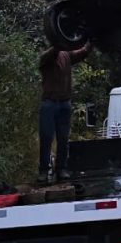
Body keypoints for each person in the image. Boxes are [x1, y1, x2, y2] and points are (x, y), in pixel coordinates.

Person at [37, 42, 91, 183]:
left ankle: (61, 168)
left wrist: (92, 41)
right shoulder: (45, 57)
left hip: (64, 103)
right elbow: (55, 50)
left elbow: (82, 52)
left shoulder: (66, 55)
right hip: (49, 103)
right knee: (46, 137)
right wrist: (61, 39)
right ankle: (43, 170)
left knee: (63, 138)